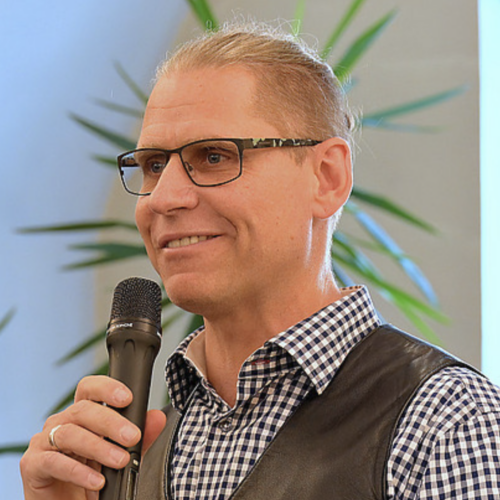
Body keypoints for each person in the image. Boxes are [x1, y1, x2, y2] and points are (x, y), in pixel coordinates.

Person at [20, 23, 500, 500]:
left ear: (327, 177)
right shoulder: (134, 454)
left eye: (213, 156)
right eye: (154, 165)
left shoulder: (448, 425)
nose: (162, 198)